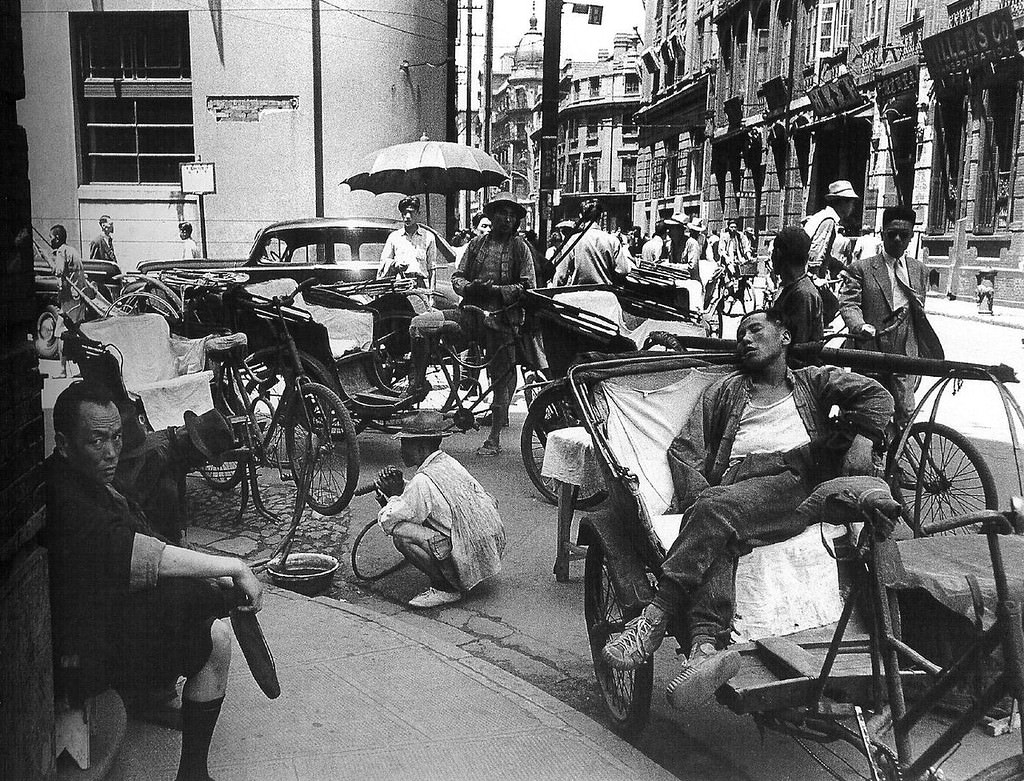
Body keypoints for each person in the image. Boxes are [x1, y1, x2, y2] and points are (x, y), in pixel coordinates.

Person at [601, 310, 898, 710]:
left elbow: (879, 397)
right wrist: (702, 501)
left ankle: (656, 616)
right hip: (739, 490)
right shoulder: (725, 390)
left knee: (715, 511)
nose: (745, 338)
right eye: (740, 333)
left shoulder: (812, 381)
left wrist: (865, 436)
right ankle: (705, 649)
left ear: (785, 337)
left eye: (755, 329)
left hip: (796, 480)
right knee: (718, 529)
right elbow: (684, 450)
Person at [43, 381, 268, 781]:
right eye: (97, 441)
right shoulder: (66, 500)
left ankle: (183, 751)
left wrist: (211, 579)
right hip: (76, 661)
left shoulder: (90, 480)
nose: (112, 452)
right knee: (215, 634)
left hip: (100, 624)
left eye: (116, 438)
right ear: (63, 443)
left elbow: (145, 541)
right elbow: (136, 553)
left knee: (208, 606)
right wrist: (231, 567)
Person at [410, 192, 537, 456]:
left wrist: (498, 292)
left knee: (501, 378)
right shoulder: (476, 245)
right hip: (469, 315)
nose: (507, 218)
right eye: (502, 213)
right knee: (419, 324)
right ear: (492, 216)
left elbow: (528, 287)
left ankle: (494, 438)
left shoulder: (520, 248)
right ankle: (418, 383)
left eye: (512, 215)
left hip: (503, 321)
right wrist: (472, 287)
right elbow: (457, 278)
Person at [373, 410, 506, 609]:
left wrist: (393, 495)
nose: (401, 450)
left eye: (405, 444)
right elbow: (432, 497)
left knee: (401, 534)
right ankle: (459, 572)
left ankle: (446, 589)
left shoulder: (422, 480)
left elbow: (388, 521)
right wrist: (402, 488)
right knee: (419, 517)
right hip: (488, 547)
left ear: (421, 446)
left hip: (469, 553)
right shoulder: (448, 463)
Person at [838, 205, 943, 426]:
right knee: (865, 415)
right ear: (882, 233)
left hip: (904, 355)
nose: (897, 239)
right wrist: (859, 326)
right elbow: (849, 303)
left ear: (911, 237)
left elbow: (918, 315)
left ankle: (895, 458)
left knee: (904, 416)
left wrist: (920, 354)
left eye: (903, 235)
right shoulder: (862, 269)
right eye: (891, 234)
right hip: (870, 352)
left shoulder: (919, 270)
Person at [114, 409, 235, 545]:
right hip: (127, 525)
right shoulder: (157, 455)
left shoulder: (177, 452)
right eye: (202, 456)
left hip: (151, 521)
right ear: (192, 445)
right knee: (167, 490)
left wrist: (181, 535)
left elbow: (180, 497)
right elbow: (133, 510)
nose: (202, 463)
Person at [551, 200, 632, 286]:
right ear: (600, 217)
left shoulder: (573, 240)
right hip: (606, 293)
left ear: (581, 216)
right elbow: (623, 270)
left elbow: (561, 275)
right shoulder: (612, 240)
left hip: (578, 293)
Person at [768, 226, 823, 345]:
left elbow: (797, 346)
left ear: (778, 254)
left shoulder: (802, 294)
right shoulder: (793, 288)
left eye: (773, 252)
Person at [377, 196, 439, 290]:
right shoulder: (394, 237)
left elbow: (432, 269)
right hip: (399, 285)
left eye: (411, 212)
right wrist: (395, 265)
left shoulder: (429, 237)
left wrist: (431, 296)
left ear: (418, 214)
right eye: (404, 213)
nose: (408, 216)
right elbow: (383, 263)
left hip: (420, 286)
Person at [803, 180, 860, 278]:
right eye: (851, 203)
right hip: (810, 276)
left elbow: (826, 256)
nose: (853, 207)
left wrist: (843, 268)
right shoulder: (828, 221)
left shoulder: (822, 216)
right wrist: (816, 279)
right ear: (842, 202)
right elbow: (815, 255)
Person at [52, 224, 96, 324]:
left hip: (71, 294)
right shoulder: (72, 250)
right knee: (77, 320)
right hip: (80, 291)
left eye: (51, 238)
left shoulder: (61, 251)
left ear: (57, 238)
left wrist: (48, 259)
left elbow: (59, 272)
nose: (50, 241)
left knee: (65, 322)